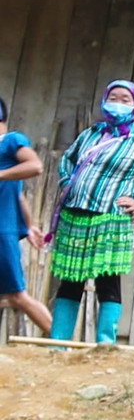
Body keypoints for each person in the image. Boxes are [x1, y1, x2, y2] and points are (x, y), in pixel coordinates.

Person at [49, 80, 134, 347]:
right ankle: (58, 344)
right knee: (70, 280)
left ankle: (105, 344)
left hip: (111, 219)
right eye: (113, 98)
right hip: (75, 217)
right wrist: (67, 183)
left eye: (125, 99)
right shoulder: (91, 135)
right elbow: (68, 159)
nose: (117, 104)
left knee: (108, 280)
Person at [0, 97, 52, 334]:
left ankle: (63, 345)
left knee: (17, 296)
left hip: (2, 231)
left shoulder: (11, 141)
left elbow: (35, 166)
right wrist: (29, 226)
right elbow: (18, 195)